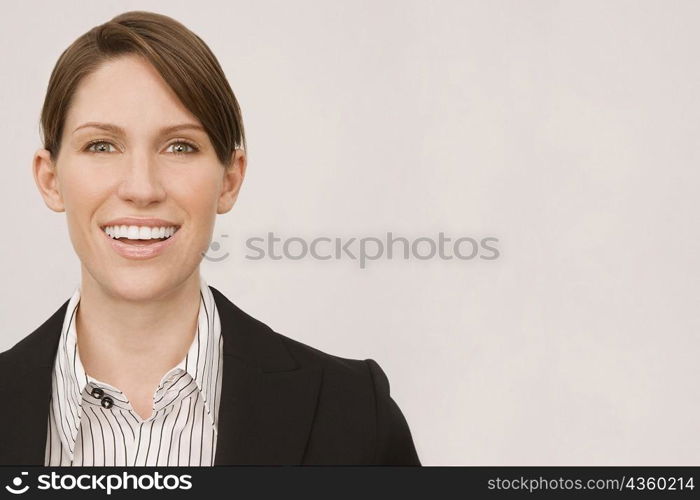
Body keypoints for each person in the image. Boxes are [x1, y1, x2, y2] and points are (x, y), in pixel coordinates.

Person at [0, 10, 420, 466]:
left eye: (180, 146)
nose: (142, 188)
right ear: (50, 179)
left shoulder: (356, 414)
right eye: (101, 146)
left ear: (229, 180)